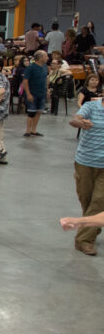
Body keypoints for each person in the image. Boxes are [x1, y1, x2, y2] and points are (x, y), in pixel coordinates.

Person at [68, 93, 104, 255]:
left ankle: (84, 240)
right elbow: (74, 119)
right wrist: (80, 122)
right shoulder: (91, 107)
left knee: (99, 201)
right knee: (87, 200)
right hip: (85, 162)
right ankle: (92, 225)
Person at [23, 50, 49, 137]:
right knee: (31, 112)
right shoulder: (31, 68)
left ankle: (34, 130)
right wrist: (28, 93)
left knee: (39, 111)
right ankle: (28, 130)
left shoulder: (45, 67)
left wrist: (47, 90)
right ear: (40, 57)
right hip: (33, 93)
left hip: (42, 93)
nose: (47, 58)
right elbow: (25, 81)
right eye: (46, 56)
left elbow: (46, 78)